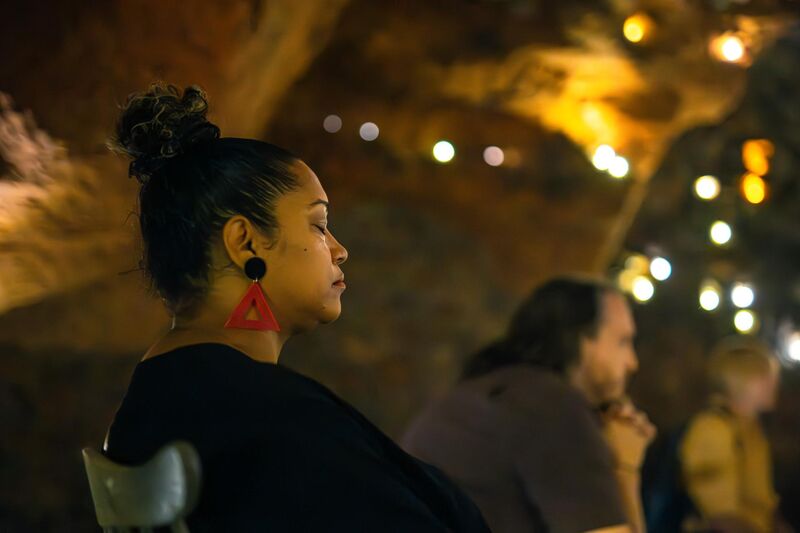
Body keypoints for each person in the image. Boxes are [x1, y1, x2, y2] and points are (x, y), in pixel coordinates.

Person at [101, 83, 489, 532]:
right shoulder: (265, 416)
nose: (340, 250)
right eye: (319, 225)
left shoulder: (157, 396)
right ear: (245, 242)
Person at [402, 276, 656, 533]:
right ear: (582, 339)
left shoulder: (489, 391)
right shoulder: (555, 408)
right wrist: (626, 469)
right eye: (623, 342)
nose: (632, 362)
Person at [679, 337, 782, 532]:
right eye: (764, 375)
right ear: (741, 379)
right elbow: (719, 516)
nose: (774, 383)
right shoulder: (712, 430)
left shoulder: (750, 430)